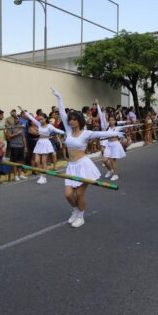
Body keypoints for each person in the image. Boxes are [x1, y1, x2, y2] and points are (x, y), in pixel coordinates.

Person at [52, 88, 123, 228]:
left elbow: (100, 134)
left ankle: (81, 216)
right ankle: (75, 210)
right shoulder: (68, 130)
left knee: (79, 194)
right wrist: (59, 98)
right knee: (68, 195)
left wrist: (115, 134)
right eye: (70, 120)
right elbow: (61, 112)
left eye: (74, 120)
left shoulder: (86, 133)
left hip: (83, 166)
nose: (71, 122)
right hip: (71, 166)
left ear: (79, 121)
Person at [19, 106, 65, 184]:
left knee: (44, 161)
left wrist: (67, 133)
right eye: (39, 119)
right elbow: (31, 118)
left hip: (46, 143)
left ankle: (43, 177)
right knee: (37, 161)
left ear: (46, 119)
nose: (40, 120)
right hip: (39, 143)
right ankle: (42, 175)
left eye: (41, 119)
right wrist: (23, 110)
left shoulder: (50, 126)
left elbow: (58, 131)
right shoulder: (39, 124)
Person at [6, 116, 27, 181]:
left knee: (20, 161)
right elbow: (9, 137)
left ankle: (20, 174)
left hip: (21, 146)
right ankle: (15, 176)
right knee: (14, 162)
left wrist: (25, 146)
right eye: (14, 119)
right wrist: (17, 133)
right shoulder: (11, 127)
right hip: (14, 146)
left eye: (17, 119)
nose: (16, 120)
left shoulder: (21, 127)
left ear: (19, 120)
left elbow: (23, 137)